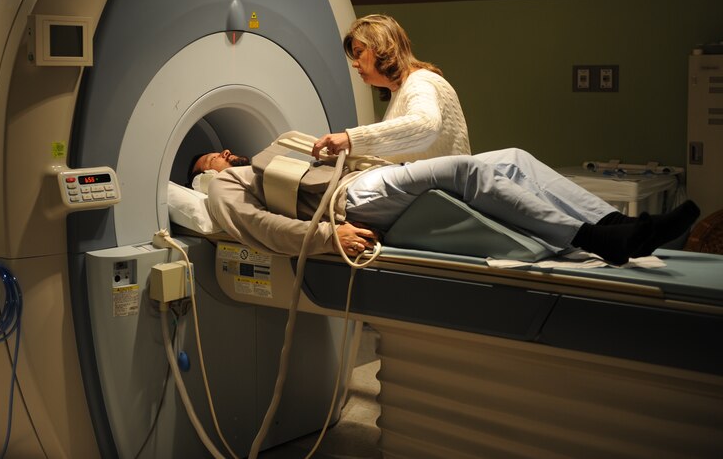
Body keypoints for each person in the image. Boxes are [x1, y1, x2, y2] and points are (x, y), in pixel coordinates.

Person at [190, 146, 700, 266]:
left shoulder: (271, 152)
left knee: (515, 158)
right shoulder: (223, 187)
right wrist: (329, 237)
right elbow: (257, 226)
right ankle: (594, 239)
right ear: (202, 173)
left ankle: (615, 225)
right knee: (467, 171)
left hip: (364, 177)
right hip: (350, 202)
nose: (225, 155)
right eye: (211, 157)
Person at [311, 14, 471, 162]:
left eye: (359, 52)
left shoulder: (420, 81)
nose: (354, 63)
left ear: (381, 47)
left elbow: (425, 125)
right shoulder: (402, 91)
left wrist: (352, 139)